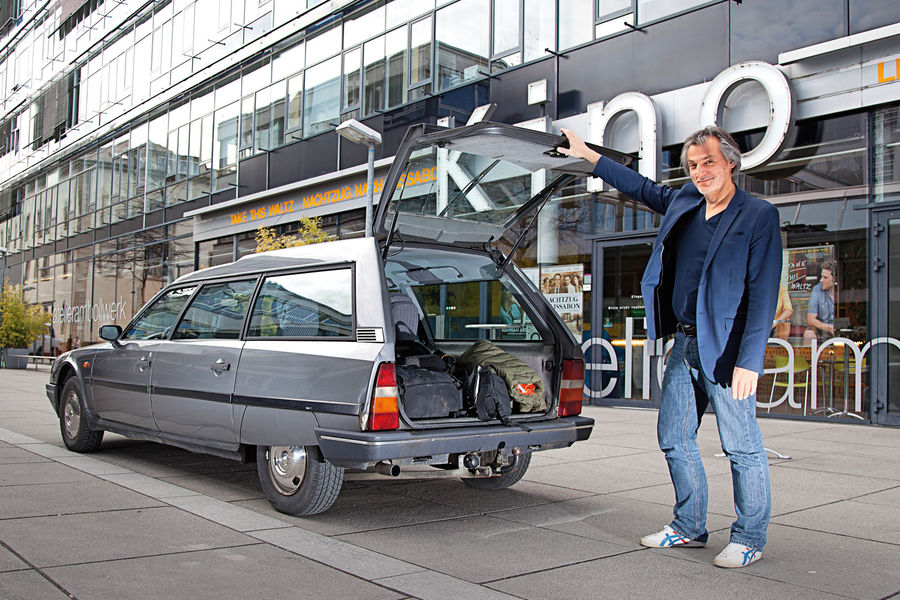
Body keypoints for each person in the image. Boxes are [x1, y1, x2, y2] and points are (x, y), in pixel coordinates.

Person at [558, 125, 781, 569]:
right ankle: (688, 527)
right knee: (674, 437)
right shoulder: (684, 201)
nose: (700, 172)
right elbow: (639, 186)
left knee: (741, 446)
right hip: (684, 342)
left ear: (730, 163)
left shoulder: (758, 215)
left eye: (708, 163)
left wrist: (749, 362)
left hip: (728, 349)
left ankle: (750, 537)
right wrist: (587, 155)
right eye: (693, 165)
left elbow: (763, 294)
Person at [804, 260, 835, 344]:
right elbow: (810, 319)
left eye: (825, 277)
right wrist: (828, 328)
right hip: (822, 330)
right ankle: (808, 357)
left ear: (834, 279)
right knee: (809, 334)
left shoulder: (841, 292)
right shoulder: (817, 290)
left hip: (840, 331)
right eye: (821, 276)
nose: (821, 280)